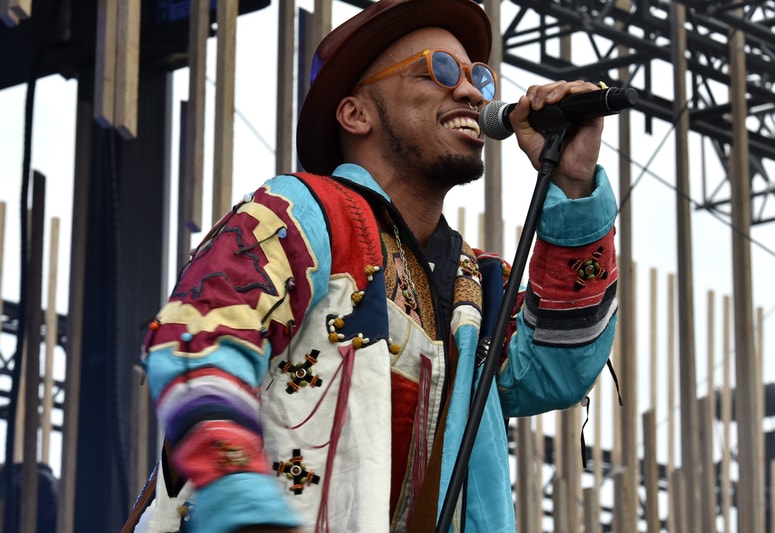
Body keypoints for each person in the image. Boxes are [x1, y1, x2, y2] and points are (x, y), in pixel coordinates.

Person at [131, 0, 619, 531]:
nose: (472, 93)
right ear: (356, 114)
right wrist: (241, 504)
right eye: (439, 70)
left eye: (477, 76)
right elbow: (198, 345)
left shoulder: (477, 285)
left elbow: (555, 370)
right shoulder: (300, 214)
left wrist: (573, 183)